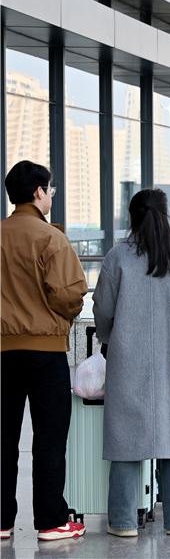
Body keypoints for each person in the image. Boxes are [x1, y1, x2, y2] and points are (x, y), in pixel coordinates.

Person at [93, 189, 170, 537]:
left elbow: (102, 310)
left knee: (125, 440)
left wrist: (114, 335)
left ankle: (123, 522)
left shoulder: (117, 257)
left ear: (131, 217)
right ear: (165, 217)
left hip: (128, 359)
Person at [1, 161, 89, 541]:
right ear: (39, 192)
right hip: (45, 354)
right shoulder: (51, 238)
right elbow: (69, 296)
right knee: (49, 439)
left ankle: (2, 522)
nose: (51, 195)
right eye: (50, 189)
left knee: (3, 438)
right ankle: (52, 522)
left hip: (2, 354)